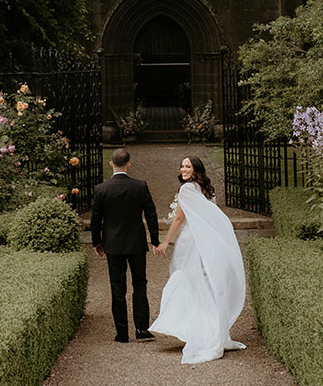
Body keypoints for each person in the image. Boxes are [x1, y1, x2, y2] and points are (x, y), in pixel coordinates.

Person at [149, 155, 248, 364]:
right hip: (204, 240)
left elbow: (179, 218)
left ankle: (196, 330)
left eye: (188, 166)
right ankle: (209, 329)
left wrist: (166, 241)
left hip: (190, 240)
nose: (183, 169)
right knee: (202, 282)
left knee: (189, 280)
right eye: (182, 166)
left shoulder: (186, 190)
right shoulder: (205, 189)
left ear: (196, 170)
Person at [89, 147, 161, 343]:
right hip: (136, 242)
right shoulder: (140, 186)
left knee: (117, 287)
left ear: (111, 163)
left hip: (112, 244)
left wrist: (97, 241)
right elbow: (151, 214)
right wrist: (154, 240)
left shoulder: (101, 189)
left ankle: (122, 333)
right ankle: (141, 329)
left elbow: (96, 219)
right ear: (129, 164)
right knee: (140, 284)